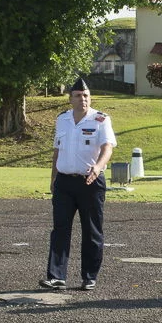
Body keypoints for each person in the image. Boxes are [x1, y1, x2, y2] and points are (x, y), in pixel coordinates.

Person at [41, 78, 115, 291]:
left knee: (91, 230)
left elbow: (107, 147)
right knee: (60, 229)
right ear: (70, 98)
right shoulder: (62, 119)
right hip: (65, 181)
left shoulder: (101, 119)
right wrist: (53, 178)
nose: (82, 99)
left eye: (86, 96)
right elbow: (57, 150)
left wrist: (98, 167)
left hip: (90, 181)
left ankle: (89, 277)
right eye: (78, 96)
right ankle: (56, 276)